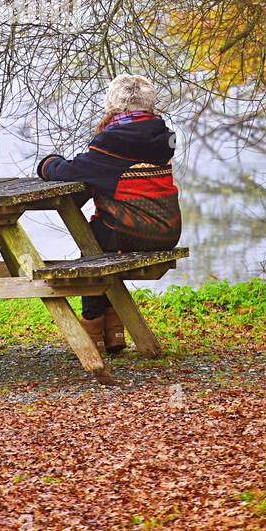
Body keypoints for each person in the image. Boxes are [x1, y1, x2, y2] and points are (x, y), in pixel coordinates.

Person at [36, 74, 181, 353]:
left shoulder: (115, 140)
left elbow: (70, 171)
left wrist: (48, 164)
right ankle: (114, 329)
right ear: (149, 105)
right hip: (169, 231)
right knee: (100, 242)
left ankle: (93, 328)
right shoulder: (162, 138)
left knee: (92, 245)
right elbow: (103, 173)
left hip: (132, 230)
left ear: (113, 105)